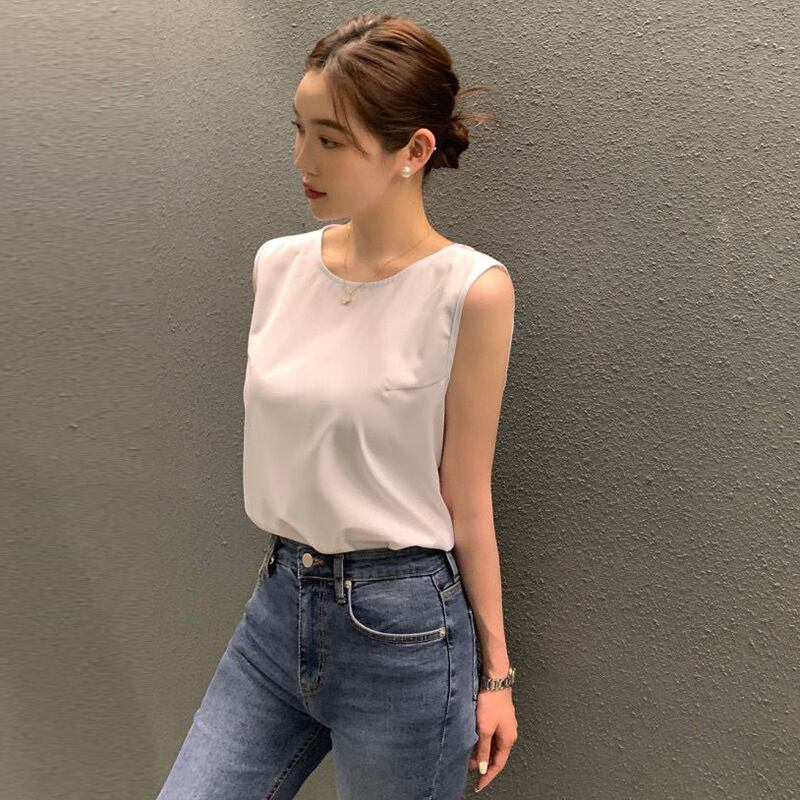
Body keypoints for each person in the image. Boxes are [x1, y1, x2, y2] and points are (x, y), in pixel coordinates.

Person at [157, 13, 517, 800]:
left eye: (330, 140)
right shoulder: (277, 267)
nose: (303, 160)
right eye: (299, 130)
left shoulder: (471, 291)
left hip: (405, 631)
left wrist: (496, 673)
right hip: (279, 607)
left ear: (413, 151)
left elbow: (467, 494)